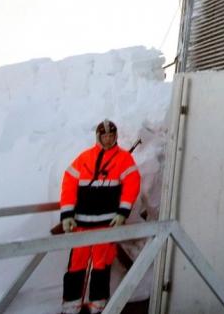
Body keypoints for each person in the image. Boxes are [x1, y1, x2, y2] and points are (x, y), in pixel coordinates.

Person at [59, 119, 141, 314]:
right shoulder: (84, 157)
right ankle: (70, 307)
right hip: (81, 224)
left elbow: (132, 185)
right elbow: (69, 183)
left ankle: (98, 307)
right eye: (104, 135)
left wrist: (122, 213)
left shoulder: (124, 159)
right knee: (75, 267)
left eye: (111, 135)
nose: (108, 139)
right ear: (98, 136)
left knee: (101, 267)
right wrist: (67, 214)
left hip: (107, 225)